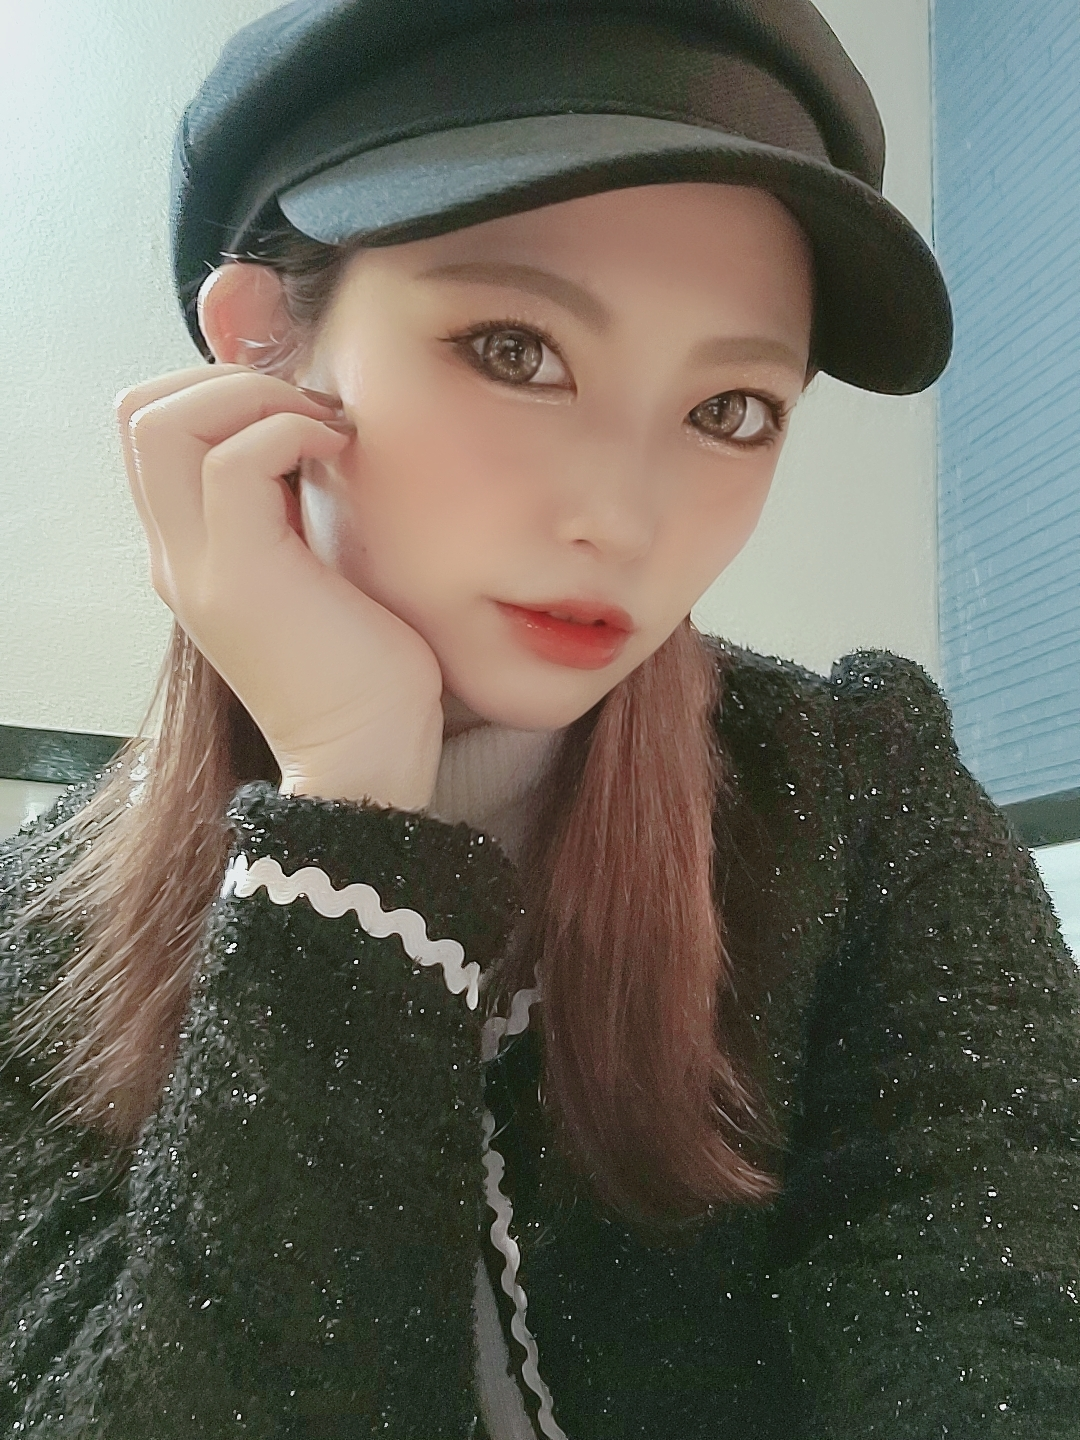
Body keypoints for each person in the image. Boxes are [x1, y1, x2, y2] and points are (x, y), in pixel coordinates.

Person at [1, 0, 1077, 1434]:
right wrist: (348, 812)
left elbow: (999, 1328)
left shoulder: (863, 796)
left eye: (732, 408)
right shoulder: (41, 934)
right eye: (515, 348)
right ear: (261, 344)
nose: (624, 519)